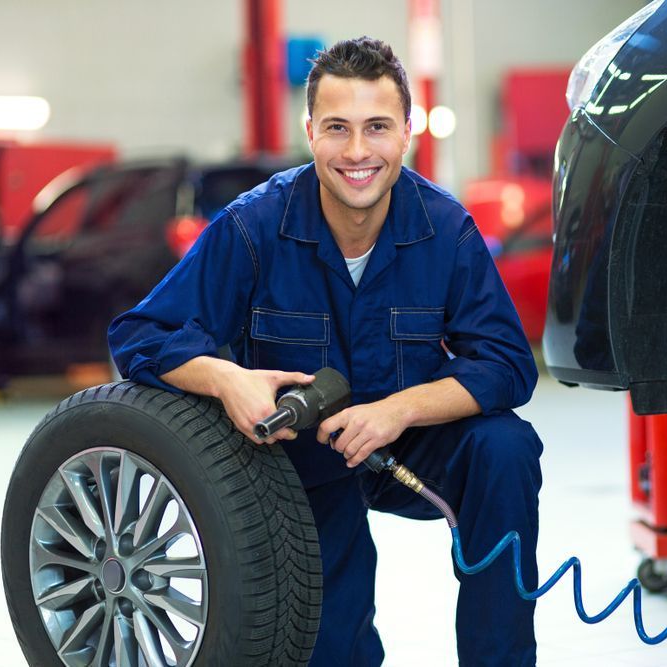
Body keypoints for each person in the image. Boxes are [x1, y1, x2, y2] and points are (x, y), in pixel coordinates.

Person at [108, 36, 542, 666]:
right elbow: (141, 334)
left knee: (505, 446)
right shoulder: (254, 227)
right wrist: (228, 379)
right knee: (333, 643)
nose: (358, 151)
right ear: (310, 131)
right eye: (338, 128)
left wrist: (397, 411)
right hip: (293, 458)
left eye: (377, 127)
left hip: (406, 441)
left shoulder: (445, 230)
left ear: (408, 132)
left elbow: (506, 361)